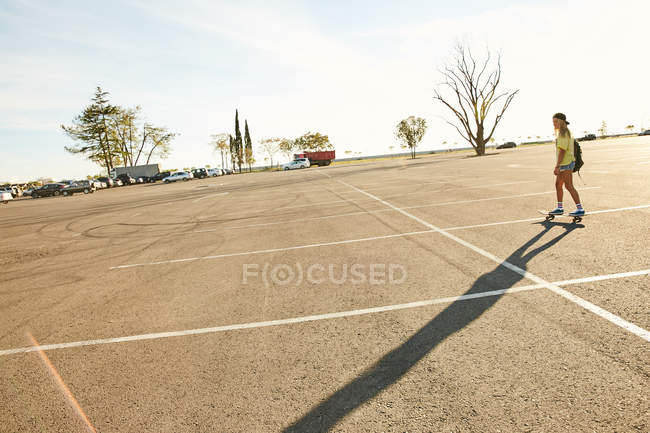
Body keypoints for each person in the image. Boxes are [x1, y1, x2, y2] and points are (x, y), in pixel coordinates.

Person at [549, 113, 585, 217]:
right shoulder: (562, 132)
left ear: (561, 121)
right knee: (558, 185)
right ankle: (559, 208)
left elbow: (562, 151)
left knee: (569, 186)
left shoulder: (564, 133)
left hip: (566, 163)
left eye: (556, 121)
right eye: (553, 122)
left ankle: (580, 209)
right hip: (564, 163)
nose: (554, 124)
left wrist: (557, 166)